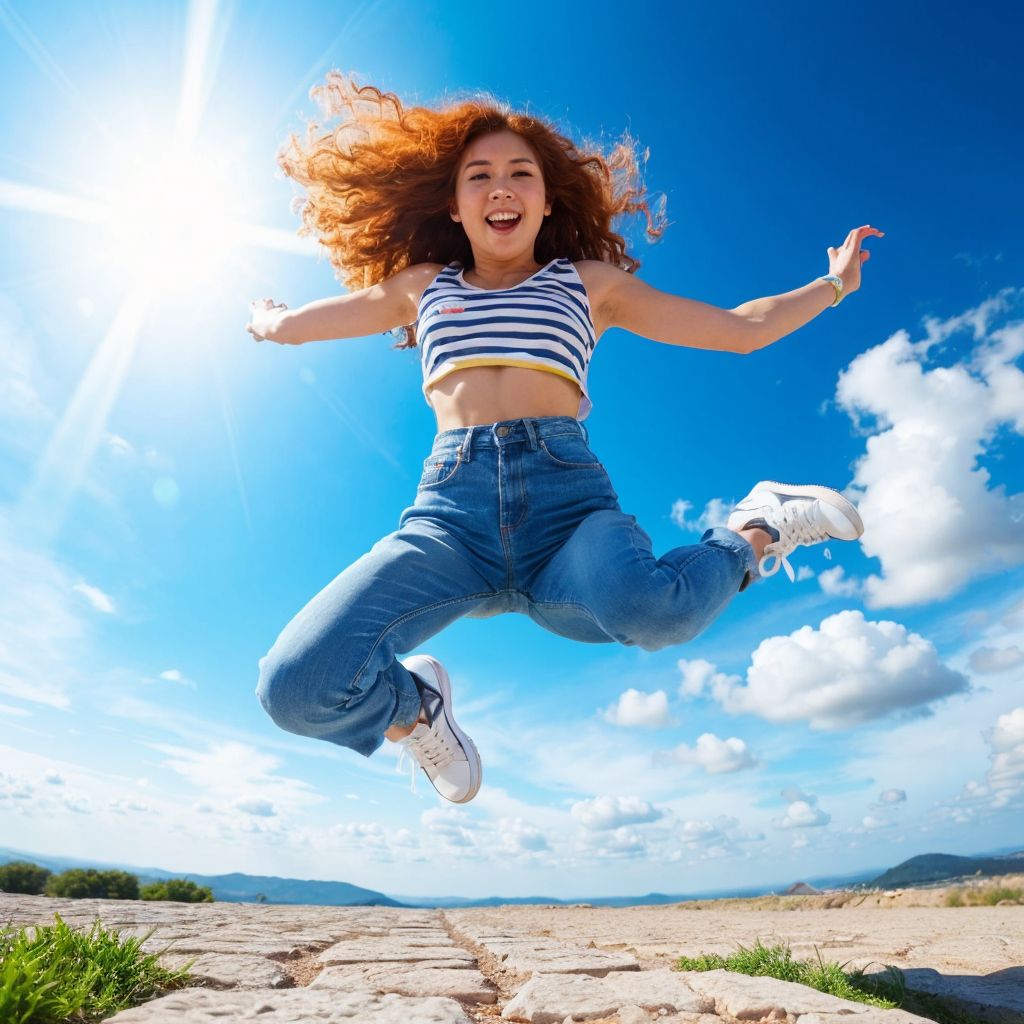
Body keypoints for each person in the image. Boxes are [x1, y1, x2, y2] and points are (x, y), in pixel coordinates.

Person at [249, 74, 882, 805]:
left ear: (547, 201)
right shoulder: (422, 287)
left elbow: (741, 329)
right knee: (293, 686)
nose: (501, 188)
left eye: (522, 174)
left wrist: (832, 285)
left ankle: (756, 527)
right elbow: (303, 324)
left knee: (656, 610)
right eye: (478, 176)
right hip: (450, 522)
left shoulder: (587, 284)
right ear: (454, 206)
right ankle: (415, 711)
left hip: (566, 513)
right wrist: (269, 320)